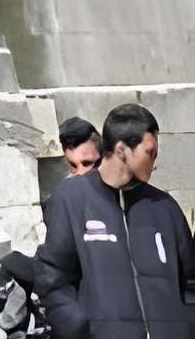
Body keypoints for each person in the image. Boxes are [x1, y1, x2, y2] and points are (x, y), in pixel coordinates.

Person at [34, 104, 195, 339]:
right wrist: (76, 328)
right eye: (149, 152)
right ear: (121, 150)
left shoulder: (165, 207)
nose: (155, 159)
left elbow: (190, 283)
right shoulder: (72, 199)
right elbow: (52, 278)